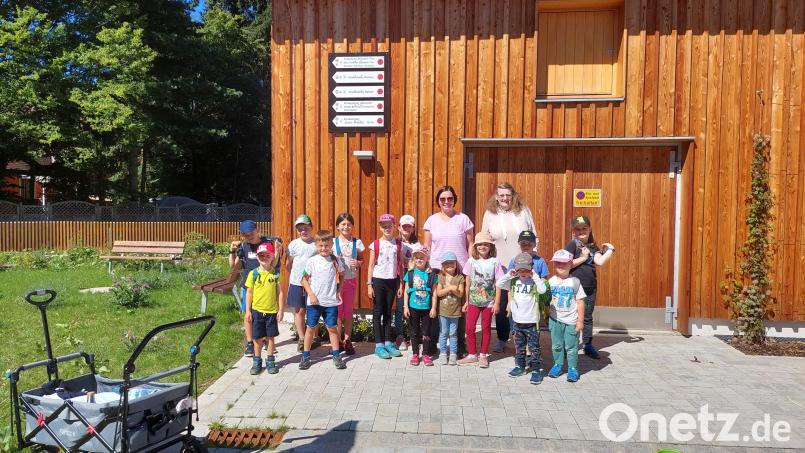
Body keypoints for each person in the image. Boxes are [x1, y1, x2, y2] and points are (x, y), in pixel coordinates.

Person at [481, 183, 536, 354]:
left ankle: (522, 338)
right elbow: (484, 238)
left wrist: (533, 257)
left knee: (522, 301)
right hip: (500, 266)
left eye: (508, 195)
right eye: (501, 195)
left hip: (522, 265)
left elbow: (534, 234)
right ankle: (502, 338)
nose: (505, 198)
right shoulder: (490, 214)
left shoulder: (523, 211)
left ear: (513, 196)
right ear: (496, 197)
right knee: (502, 303)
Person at [423, 185, 474, 356]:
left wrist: (470, 266)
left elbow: (470, 245)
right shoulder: (431, 221)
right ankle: (432, 345)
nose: (446, 201)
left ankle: (458, 346)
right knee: (436, 306)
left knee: (457, 309)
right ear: (438, 201)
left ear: (454, 199)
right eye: (443, 199)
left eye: (450, 198)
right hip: (438, 270)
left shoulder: (463, 219)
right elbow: (427, 246)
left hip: (459, 271)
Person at [563, 216, 615, 359]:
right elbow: (566, 264)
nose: (581, 231)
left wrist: (610, 250)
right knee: (572, 316)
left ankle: (587, 345)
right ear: (573, 231)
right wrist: (583, 258)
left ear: (589, 229)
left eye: (584, 228)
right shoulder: (572, 245)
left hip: (590, 287)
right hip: (574, 287)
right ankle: (569, 345)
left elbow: (599, 261)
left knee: (587, 317)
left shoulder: (593, 247)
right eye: (578, 229)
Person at [229, 219, 283, 357]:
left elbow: (274, 264)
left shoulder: (268, 242)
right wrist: (232, 251)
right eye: (245, 235)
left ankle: (265, 340)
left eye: (251, 233)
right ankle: (250, 343)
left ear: (257, 230)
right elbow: (233, 266)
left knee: (266, 313)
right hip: (250, 285)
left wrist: (276, 251)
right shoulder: (243, 246)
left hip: (266, 285)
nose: (249, 237)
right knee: (249, 315)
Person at [494, 252, 548, 385]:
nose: (523, 273)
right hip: (518, 322)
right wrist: (508, 274)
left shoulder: (535, 282)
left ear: (531, 268)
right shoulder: (513, 281)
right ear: (516, 268)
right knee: (519, 346)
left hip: (532, 322)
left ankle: (535, 370)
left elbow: (542, 290)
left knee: (534, 347)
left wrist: (535, 276)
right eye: (520, 269)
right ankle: (520, 366)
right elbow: (499, 284)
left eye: (526, 270)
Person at [299, 230, 346, 370]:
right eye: (320, 246)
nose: (323, 248)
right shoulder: (312, 261)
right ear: (316, 245)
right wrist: (311, 294)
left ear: (331, 244)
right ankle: (306, 356)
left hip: (330, 302)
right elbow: (304, 280)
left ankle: (336, 355)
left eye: (326, 245)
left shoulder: (335, 260)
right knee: (311, 328)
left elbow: (342, 275)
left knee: (332, 328)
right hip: (314, 303)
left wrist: (338, 290)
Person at [458, 232, 505, 368]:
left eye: (486, 244)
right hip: (473, 301)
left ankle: (483, 354)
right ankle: (472, 354)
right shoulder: (471, 261)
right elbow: (468, 283)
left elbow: (499, 283)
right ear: (475, 246)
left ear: (490, 246)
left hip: (489, 303)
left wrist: (496, 303)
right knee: (469, 327)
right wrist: (466, 301)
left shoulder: (495, 262)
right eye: (480, 244)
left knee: (486, 328)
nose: (483, 247)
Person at [367, 213, 405, 360]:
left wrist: (401, 284)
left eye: (389, 226)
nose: (387, 228)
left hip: (392, 281)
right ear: (380, 227)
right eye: (384, 226)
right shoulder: (375, 244)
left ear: (394, 226)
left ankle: (388, 342)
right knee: (378, 313)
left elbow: (401, 266)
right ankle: (379, 345)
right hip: (378, 281)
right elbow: (370, 266)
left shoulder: (398, 244)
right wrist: (370, 285)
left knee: (389, 312)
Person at [244, 242, 285, 375]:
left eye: (267, 255)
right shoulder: (253, 274)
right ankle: (257, 361)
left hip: (271, 312)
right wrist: (248, 311)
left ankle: (270, 360)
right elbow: (249, 293)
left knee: (270, 337)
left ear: (273, 256)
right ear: (257, 257)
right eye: (261, 255)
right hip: (256, 311)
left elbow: (280, 293)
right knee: (257, 338)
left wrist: (281, 310)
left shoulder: (276, 274)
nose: (264, 257)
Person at [546, 249, 586, 382]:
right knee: (556, 345)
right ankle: (557, 365)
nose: (561, 266)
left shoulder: (575, 282)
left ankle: (573, 368)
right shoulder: (551, 281)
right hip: (555, 319)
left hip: (571, 320)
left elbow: (580, 302)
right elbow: (547, 299)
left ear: (570, 264)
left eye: (564, 263)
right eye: (557, 263)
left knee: (571, 346)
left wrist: (580, 321)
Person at [285, 214, 318, 352]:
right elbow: (288, 263)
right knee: (299, 311)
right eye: (300, 229)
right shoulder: (293, 244)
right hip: (296, 283)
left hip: (314, 284)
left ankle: (314, 337)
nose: (303, 231)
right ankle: (302, 338)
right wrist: (295, 276)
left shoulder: (317, 243)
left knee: (313, 311)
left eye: (306, 228)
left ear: (311, 227)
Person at [333, 212, 364, 356]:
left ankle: (347, 340)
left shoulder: (356, 242)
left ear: (352, 226)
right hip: (336, 282)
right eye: (343, 224)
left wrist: (357, 262)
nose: (346, 227)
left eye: (349, 224)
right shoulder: (333, 242)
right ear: (338, 226)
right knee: (338, 313)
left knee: (348, 312)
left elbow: (362, 259)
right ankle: (337, 341)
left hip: (351, 280)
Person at [402, 249, 437, 366]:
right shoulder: (410, 273)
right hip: (413, 307)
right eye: (416, 257)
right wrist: (405, 307)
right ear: (413, 259)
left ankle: (426, 354)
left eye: (422, 258)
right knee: (414, 332)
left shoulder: (431, 274)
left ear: (427, 259)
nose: (419, 260)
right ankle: (415, 354)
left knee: (426, 332)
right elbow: (406, 291)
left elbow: (435, 293)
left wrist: (434, 308)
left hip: (426, 308)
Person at [394, 214, 420, 351]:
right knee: (399, 308)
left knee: (413, 307)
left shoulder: (417, 244)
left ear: (413, 228)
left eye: (409, 226)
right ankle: (399, 336)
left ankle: (413, 335)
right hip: (399, 277)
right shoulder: (395, 243)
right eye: (404, 226)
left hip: (413, 277)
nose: (406, 228)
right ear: (399, 227)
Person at [435, 251, 465, 365]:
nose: (449, 265)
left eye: (451, 263)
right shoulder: (441, 277)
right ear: (443, 266)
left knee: (453, 333)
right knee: (443, 333)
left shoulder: (459, 278)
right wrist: (450, 288)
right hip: (443, 311)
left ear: (456, 264)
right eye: (446, 263)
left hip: (455, 312)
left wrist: (454, 289)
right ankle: (443, 353)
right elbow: (438, 293)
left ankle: (453, 353)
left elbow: (461, 294)